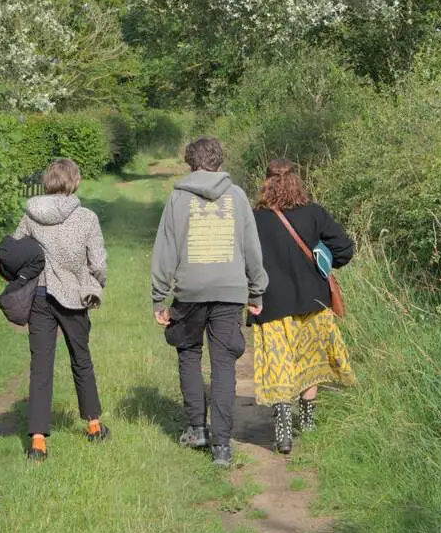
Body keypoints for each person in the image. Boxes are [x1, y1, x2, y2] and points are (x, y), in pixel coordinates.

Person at [150, 137, 268, 469]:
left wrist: (160, 297)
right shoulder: (238, 196)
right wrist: (256, 292)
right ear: (219, 161)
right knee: (224, 364)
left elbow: (165, 251)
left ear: (191, 162)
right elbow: (251, 249)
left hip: (190, 290)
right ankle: (222, 447)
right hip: (230, 291)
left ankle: (196, 428)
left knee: (188, 352)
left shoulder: (177, 198)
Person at [251, 158, 355, 454]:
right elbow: (345, 249)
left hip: (271, 304)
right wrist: (323, 262)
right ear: (297, 181)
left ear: (267, 183)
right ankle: (307, 425)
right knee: (309, 364)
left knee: (279, 363)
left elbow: (245, 259)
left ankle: (283, 431)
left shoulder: (255, 219)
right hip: (314, 301)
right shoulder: (314, 214)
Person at [11, 158, 110, 461]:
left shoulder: (30, 216)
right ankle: (94, 425)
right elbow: (99, 263)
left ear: (48, 181)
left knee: (41, 366)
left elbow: (14, 252)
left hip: (39, 297)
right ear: (75, 182)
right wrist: (96, 284)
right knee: (81, 360)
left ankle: (38, 442)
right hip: (73, 297)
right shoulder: (86, 218)